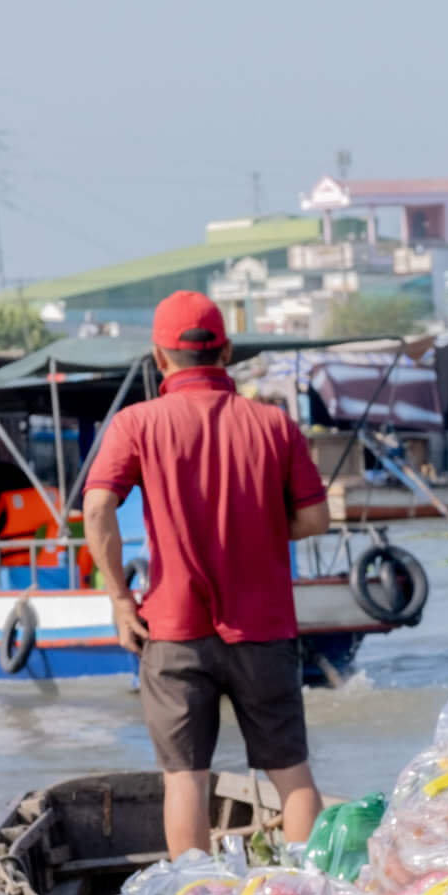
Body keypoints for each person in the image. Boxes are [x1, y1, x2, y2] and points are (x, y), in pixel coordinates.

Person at [84, 293, 333, 854]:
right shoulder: (273, 424)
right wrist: (259, 527)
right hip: (264, 628)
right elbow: (316, 517)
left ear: (158, 357)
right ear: (225, 351)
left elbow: (97, 508)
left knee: (185, 781)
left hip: (172, 630)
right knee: (291, 775)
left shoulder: (136, 423)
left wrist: (121, 600)